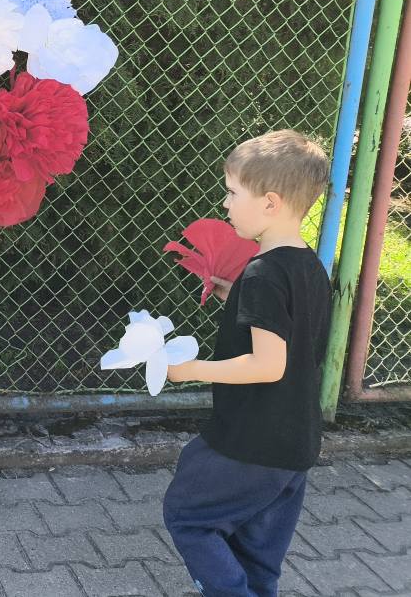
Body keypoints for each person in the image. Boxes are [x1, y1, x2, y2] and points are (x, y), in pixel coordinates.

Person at [163, 129, 332, 597]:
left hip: (251, 441)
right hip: (294, 444)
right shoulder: (308, 266)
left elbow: (268, 365)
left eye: (233, 193)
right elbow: (291, 334)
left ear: (270, 203)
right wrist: (233, 296)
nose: (226, 203)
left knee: (189, 516)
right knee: (258, 558)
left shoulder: (262, 274)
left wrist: (192, 369)